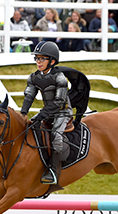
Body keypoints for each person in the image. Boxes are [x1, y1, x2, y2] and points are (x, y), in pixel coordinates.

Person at [20, 41, 73, 185]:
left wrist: (41, 114)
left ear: (52, 61)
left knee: (56, 135)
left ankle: (53, 171)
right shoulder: (34, 77)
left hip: (63, 112)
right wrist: (23, 113)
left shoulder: (60, 77)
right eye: (37, 58)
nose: (38, 62)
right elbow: (29, 96)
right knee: (33, 129)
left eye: (42, 58)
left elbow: (59, 102)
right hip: (48, 112)